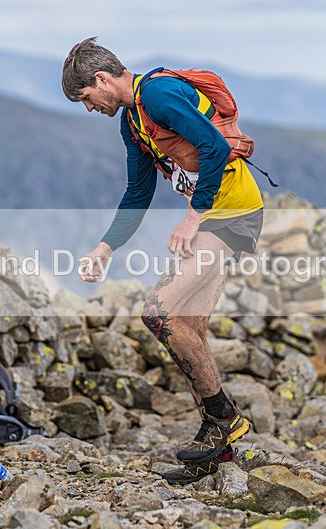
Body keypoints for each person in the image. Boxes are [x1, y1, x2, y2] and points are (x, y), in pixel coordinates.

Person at [62, 37, 265, 483]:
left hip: (232, 214)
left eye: (85, 97)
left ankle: (222, 419)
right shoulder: (131, 122)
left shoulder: (156, 94)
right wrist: (105, 247)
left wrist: (193, 216)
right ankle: (217, 457)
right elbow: (138, 193)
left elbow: (213, 146)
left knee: (158, 313)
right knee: (186, 327)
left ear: (100, 79)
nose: (88, 107)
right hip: (216, 217)